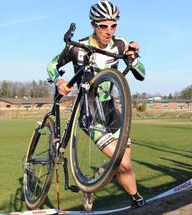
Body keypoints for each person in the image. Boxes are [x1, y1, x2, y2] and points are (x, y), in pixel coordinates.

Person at [47, 0, 146, 210]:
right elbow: (51, 65)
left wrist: (134, 59)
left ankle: (92, 185)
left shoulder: (120, 44)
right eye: (103, 26)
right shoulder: (78, 48)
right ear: (93, 24)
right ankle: (138, 201)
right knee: (123, 163)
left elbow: (142, 74)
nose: (109, 31)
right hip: (90, 113)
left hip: (113, 110)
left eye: (113, 25)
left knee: (122, 166)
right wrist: (59, 80)